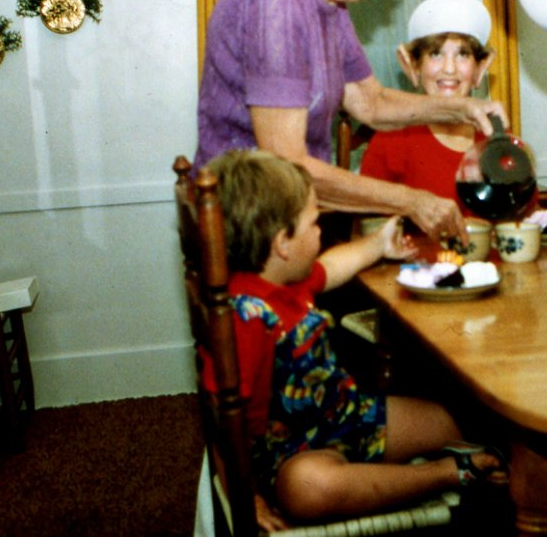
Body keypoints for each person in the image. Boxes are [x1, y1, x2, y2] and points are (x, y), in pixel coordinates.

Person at [195, 0, 506, 244]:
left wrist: (462, 109)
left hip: (284, 218)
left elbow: (370, 103)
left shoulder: (330, 2)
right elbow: (287, 166)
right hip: (244, 229)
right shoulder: (275, 3)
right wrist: (411, 201)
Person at [201, 149, 508, 531]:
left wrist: (379, 244)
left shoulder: (284, 280)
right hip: (287, 458)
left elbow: (331, 266)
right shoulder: (244, 317)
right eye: (314, 223)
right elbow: (222, 419)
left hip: (346, 417)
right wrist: (244, 494)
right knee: (311, 487)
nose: (320, 231)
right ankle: (444, 474)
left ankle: (463, 465)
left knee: (452, 421)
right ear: (282, 243)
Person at [360, 0, 496, 218]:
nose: (449, 69)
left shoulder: (494, 136)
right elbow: (368, 222)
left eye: (463, 54)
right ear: (415, 66)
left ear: (479, 69)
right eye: (435, 54)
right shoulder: (391, 139)